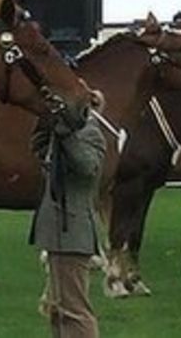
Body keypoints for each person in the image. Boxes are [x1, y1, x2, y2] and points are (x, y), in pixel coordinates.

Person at [29, 91, 106, 338]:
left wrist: (66, 134)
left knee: (74, 309)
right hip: (58, 230)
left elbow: (86, 167)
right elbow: (37, 145)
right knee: (58, 308)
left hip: (72, 229)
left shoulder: (91, 131)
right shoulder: (65, 133)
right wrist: (46, 119)